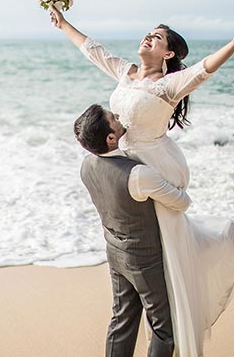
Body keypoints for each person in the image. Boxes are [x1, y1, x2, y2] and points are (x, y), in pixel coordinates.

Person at [53, 6, 234, 356]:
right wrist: (63, 25)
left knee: (163, 246)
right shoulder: (127, 73)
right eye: (149, 32)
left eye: (158, 37)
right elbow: (93, 49)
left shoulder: (169, 85)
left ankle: (165, 315)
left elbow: (205, 68)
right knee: (136, 246)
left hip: (150, 163)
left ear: (167, 53)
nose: (148, 37)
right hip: (122, 161)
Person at [74, 103, 192, 357]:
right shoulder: (138, 175)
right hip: (144, 258)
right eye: (113, 117)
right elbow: (182, 202)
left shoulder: (86, 166)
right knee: (163, 327)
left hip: (115, 253)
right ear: (111, 138)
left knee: (122, 319)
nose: (118, 116)